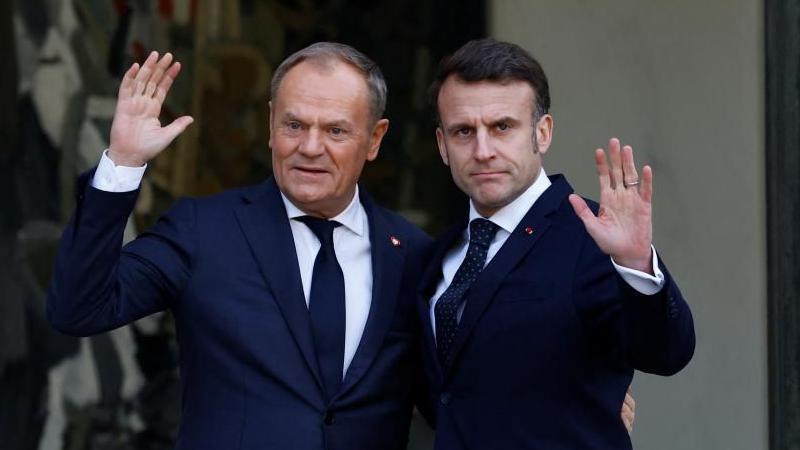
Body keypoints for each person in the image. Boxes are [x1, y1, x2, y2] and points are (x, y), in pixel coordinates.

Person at [47, 42, 434, 450]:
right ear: (270, 124)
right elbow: (79, 308)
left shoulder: (412, 255)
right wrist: (122, 164)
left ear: (374, 139)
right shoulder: (204, 231)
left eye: (335, 130)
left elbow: (458, 403)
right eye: (294, 125)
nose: (310, 147)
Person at [419, 38, 695, 449]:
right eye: (463, 131)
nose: (482, 150)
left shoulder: (595, 237)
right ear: (443, 146)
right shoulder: (436, 256)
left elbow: (666, 353)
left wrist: (636, 263)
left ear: (542, 133)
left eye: (502, 127)